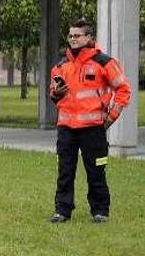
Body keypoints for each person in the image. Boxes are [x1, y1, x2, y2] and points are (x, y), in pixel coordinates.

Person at [48, 19, 131, 223]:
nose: (73, 39)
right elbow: (53, 95)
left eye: (77, 35)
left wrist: (111, 116)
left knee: (96, 171)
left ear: (88, 37)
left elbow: (123, 89)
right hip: (66, 128)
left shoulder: (104, 63)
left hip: (93, 129)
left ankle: (100, 210)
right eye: (71, 35)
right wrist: (56, 92)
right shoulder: (61, 66)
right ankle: (62, 211)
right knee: (65, 171)